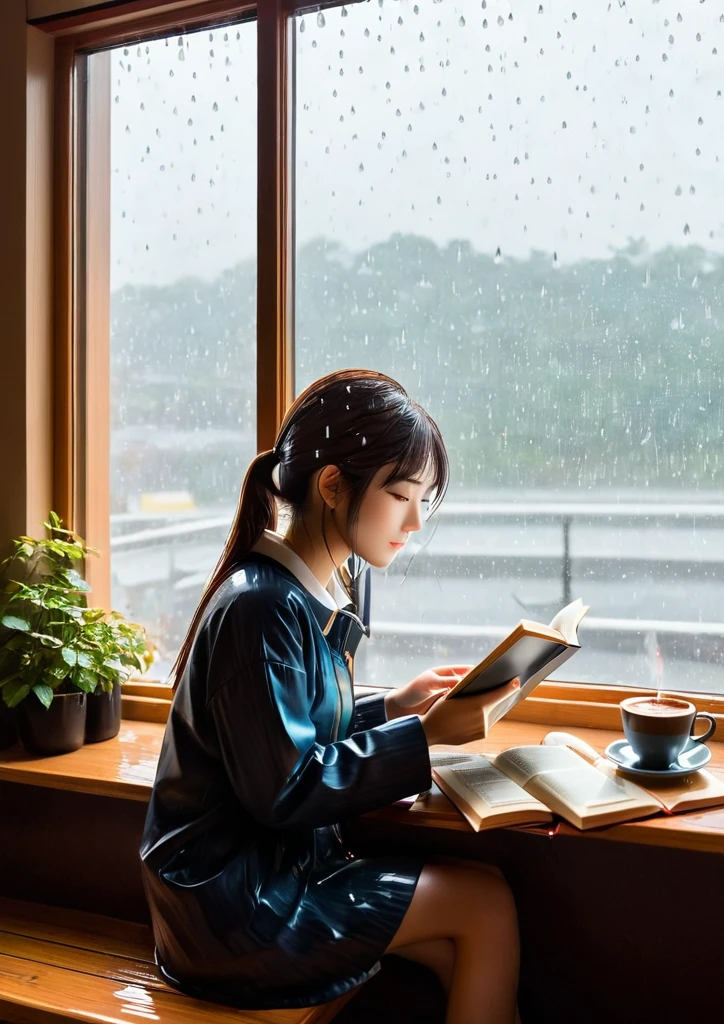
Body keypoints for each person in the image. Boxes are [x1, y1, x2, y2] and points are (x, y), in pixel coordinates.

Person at [140, 369, 521, 1023]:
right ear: (333, 485)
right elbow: (284, 789)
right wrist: (427, 737)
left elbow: (290, 729)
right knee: (485, 906)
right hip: (234, 909)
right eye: (402, 495)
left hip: (253, 887)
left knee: (464, 945)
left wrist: (394, 708)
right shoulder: (261, 608)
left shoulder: (286, 596)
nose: (416, 520)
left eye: (423, 499)